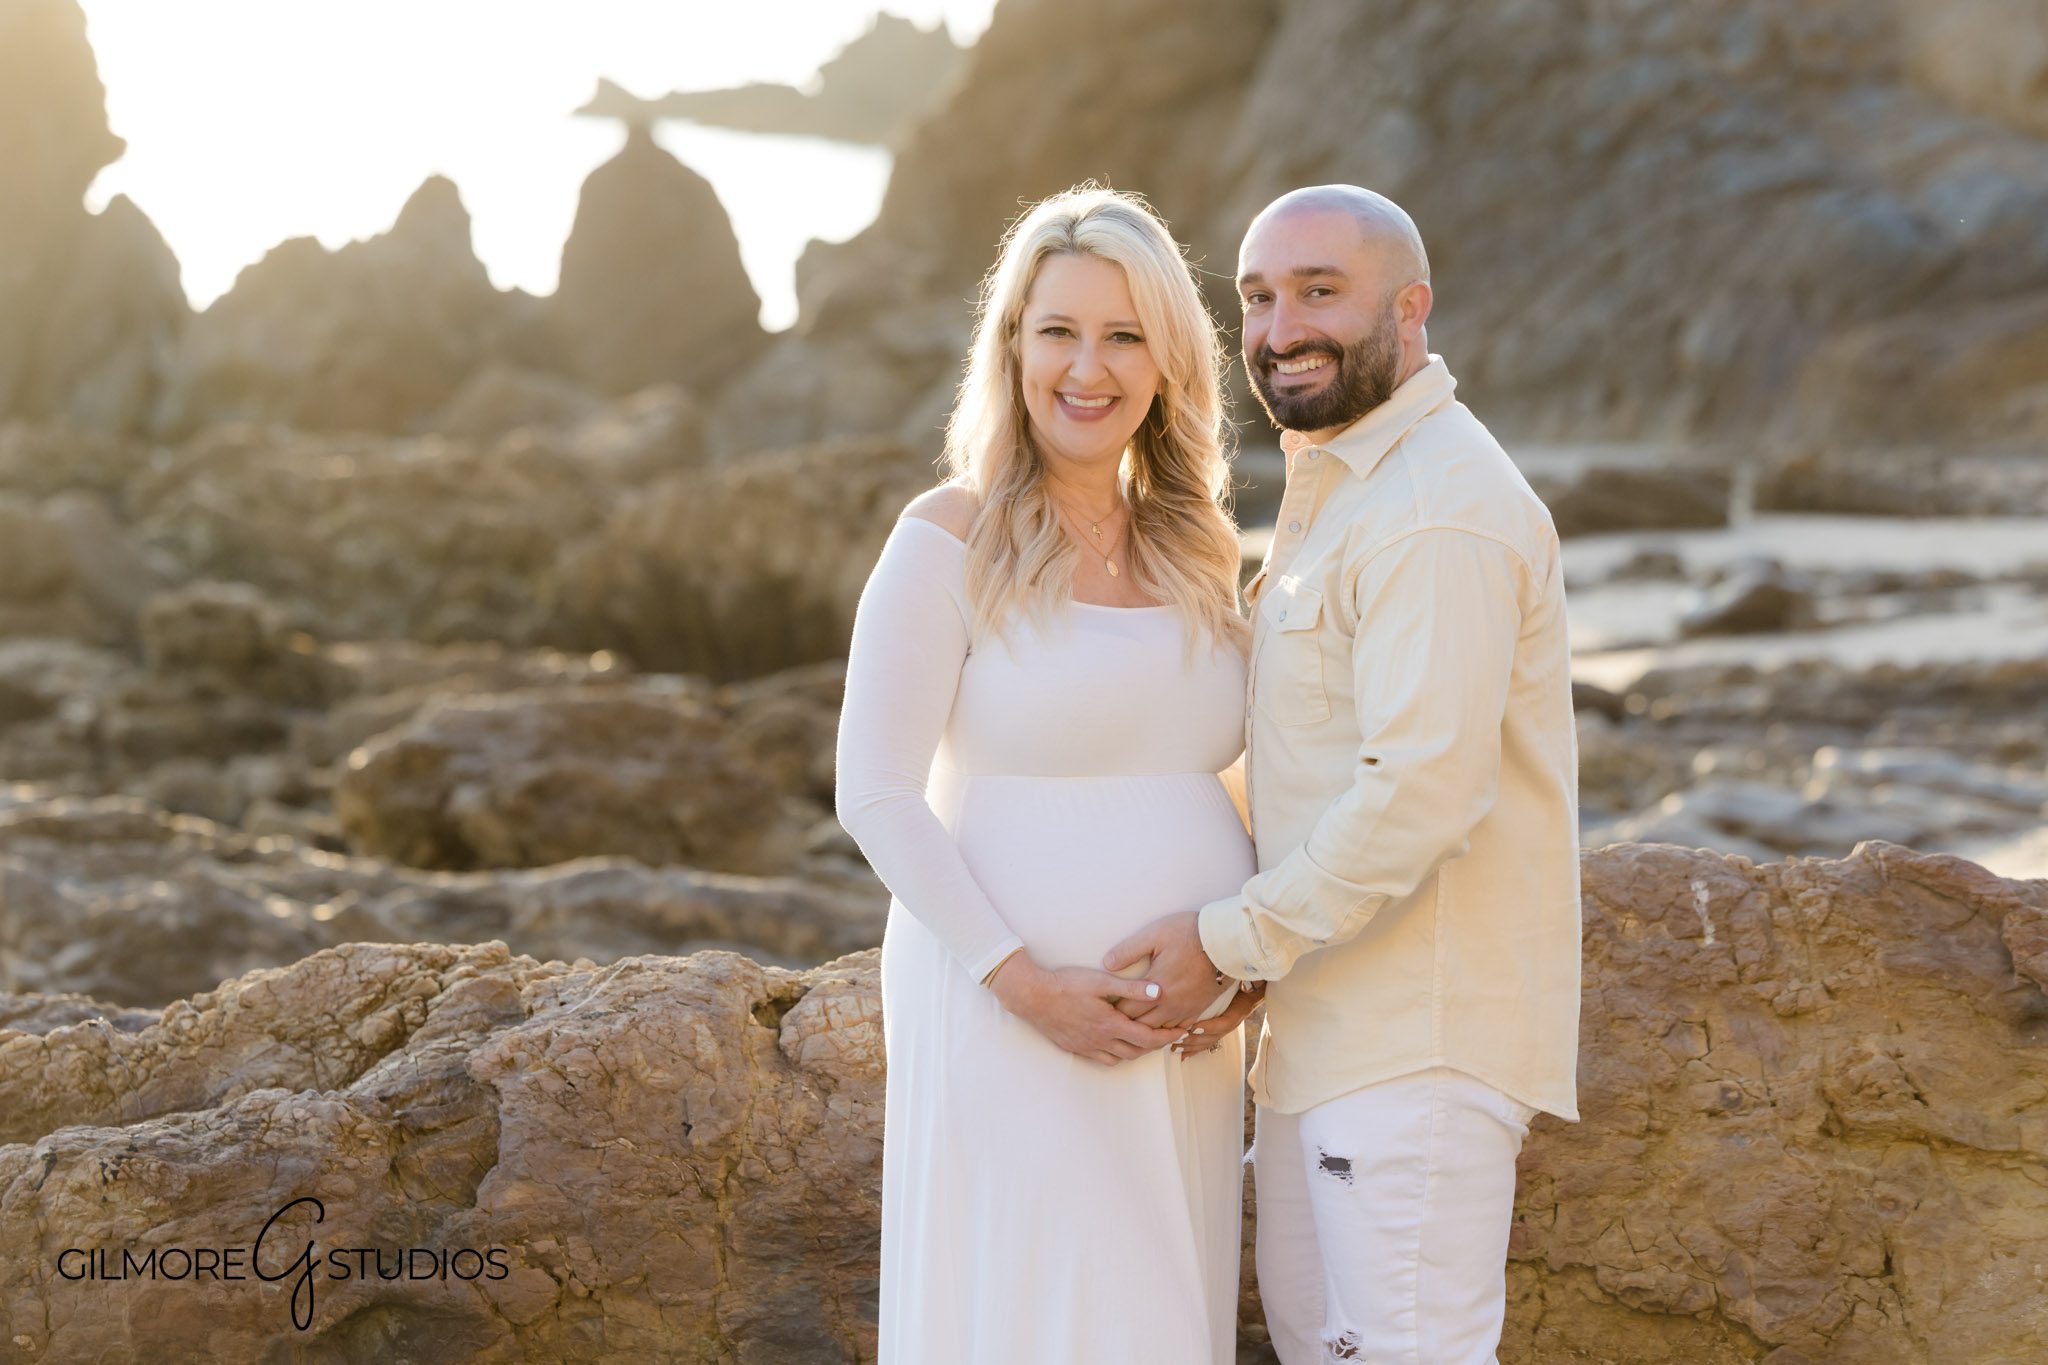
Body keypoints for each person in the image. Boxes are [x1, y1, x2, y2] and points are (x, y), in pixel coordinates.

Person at [1105, 185, 1583, 1363]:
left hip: (1410, 1044)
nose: (1278, 329)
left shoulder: (1434, 511)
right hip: (1323, 1035)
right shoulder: (1342, 491)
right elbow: (1299, 764)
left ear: (1409, 308)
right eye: (1257, 298)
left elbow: (1419, 792)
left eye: (1319, 292)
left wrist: (1228, 939)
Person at [834, 185, 1266, 1365]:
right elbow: (872, 790)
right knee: (1034, 1313)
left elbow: (1218, 777)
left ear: (1168, 361)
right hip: (1004, 1009)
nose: (1088, 368)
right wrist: (1025, 985)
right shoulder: (945, 536)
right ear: (1011, 344)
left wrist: (1240, 953)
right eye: (1059, 331)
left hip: (1179, 1025)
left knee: (1154, 1319)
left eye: (1124, 336)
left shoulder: (1194, 548)